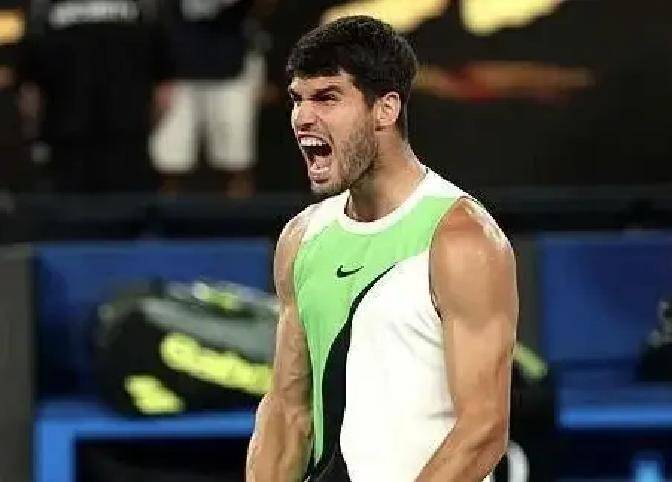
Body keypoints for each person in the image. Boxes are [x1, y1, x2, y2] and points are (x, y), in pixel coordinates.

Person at [246, 15, 518, 482]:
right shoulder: (301, 238)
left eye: (327, 97)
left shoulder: (462, 238)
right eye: (297, 99)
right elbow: (289, 411)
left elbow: (482, 430)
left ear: (385, 109)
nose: (303, 117)